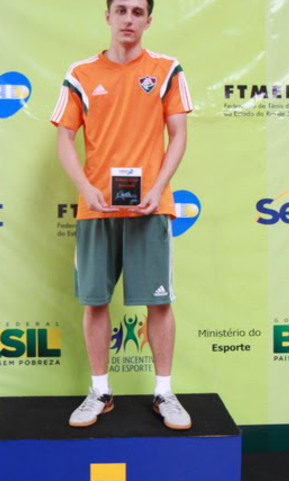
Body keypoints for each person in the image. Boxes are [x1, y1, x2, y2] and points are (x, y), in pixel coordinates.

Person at [50, 0, 193, 430]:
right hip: (98, 207)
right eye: (121, 10)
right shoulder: (81, 73)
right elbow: (64, 138)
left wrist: (158, 187)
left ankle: (164, 392)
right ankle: (100, 391)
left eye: (136, 12)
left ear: (148, 20)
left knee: (159, 301)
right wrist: (86, 189)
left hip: (150, 205)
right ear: (107, 16)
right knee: (95, 301)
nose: (128, 19)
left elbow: (179, 134)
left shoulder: (167, 69)